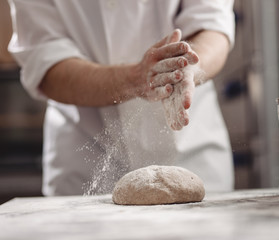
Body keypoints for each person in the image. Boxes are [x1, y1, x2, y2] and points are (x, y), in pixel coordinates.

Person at [8, 0, 235, 196]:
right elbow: (45, 61)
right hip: (86, 161)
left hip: (191, 153)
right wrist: (135, 79)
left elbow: (211, 23)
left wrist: (187, 65)